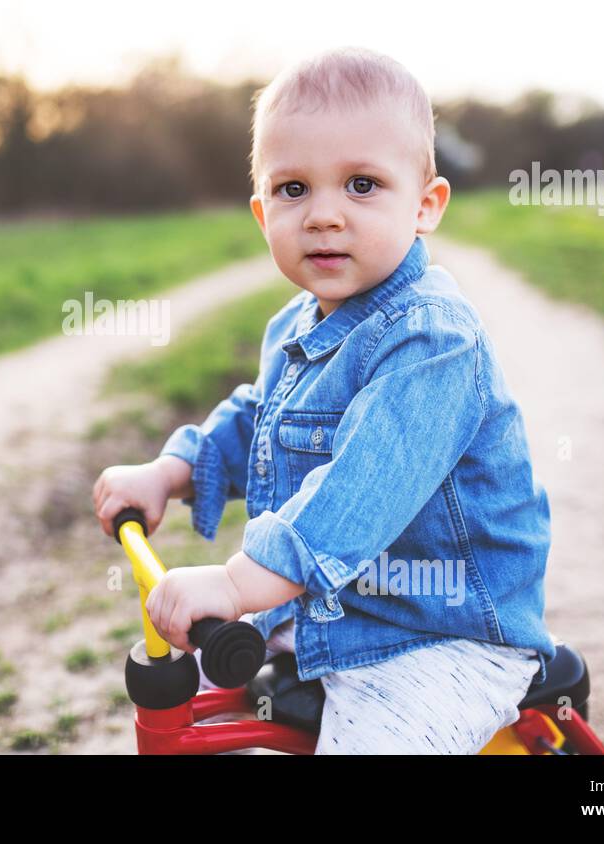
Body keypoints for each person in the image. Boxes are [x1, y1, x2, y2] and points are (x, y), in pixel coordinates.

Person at [93, 47, 555, 754]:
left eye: (363, 185)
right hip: (336, 609)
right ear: (261, 212)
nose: (325, 216)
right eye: (293, 189)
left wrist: (234, 584)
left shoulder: (434, 342)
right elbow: (262, 420)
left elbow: (356, 493)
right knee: (214, 699)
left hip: (440, 634)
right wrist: (171, 471)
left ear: (426, 205)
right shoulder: (297, 322)